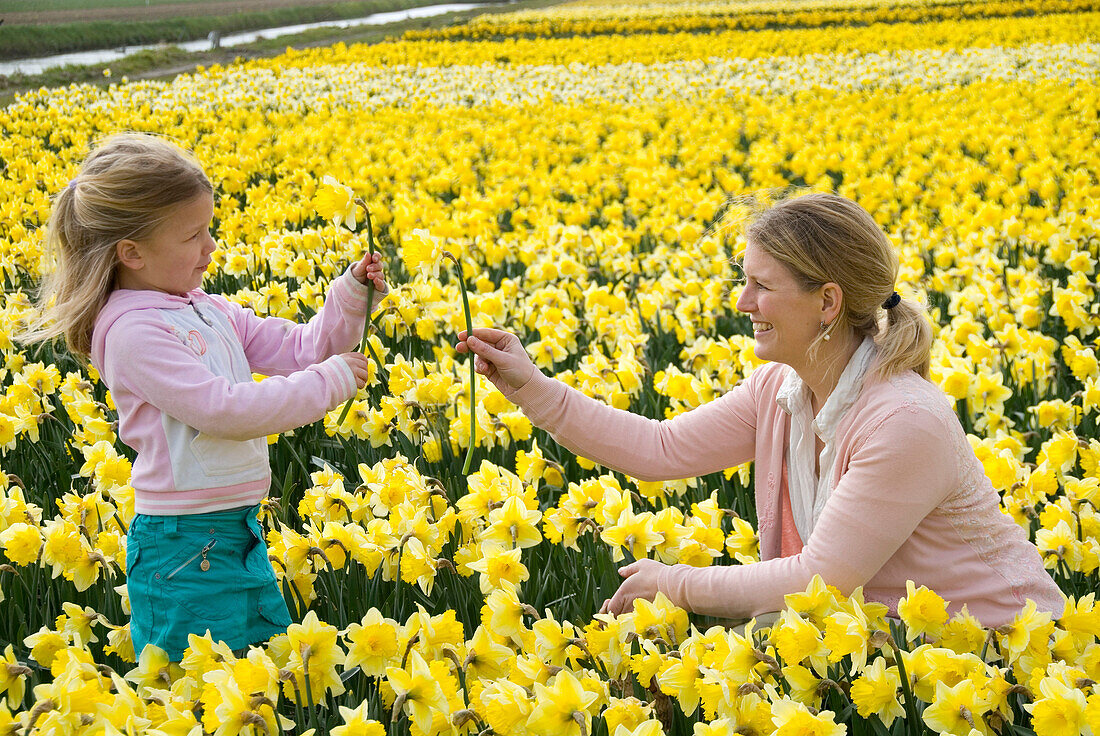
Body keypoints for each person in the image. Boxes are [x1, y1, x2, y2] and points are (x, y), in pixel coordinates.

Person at [456, 192, 1064, 628]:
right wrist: (530, 386)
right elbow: (658, 449)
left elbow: (817, 582)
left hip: (1001, 663)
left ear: (828, 302)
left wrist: (672, 583)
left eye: (761, 286)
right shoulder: (780, 387)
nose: (742, 301)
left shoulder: (904, 421)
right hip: (885, 650)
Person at [21, 133, 387, 659]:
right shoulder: (132, 333)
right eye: (194, 235)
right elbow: (223, 411)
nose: (211, 245)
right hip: (184, 545)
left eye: (208, 228)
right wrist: (328, 384)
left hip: (235, 530)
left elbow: (299, 347)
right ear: (133, 253)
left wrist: (351, 296)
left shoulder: (203, 308)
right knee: (197, 694)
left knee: (262, 681)